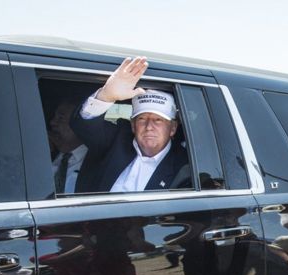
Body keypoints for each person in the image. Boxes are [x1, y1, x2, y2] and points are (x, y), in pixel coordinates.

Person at [70, 57, 188, 193]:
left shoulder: (184, 165)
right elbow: (84, 124)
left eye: (158, 120)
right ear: (133, 125)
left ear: (173, 128)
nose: (149, 126)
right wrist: (107, 96)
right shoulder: (117, 139)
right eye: (142, 118)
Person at [48, 100, 87, 194]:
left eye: (60, 118)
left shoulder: (96, 160)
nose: (52, 123)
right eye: (54, 117)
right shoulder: (47, 153)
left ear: (80, 124)